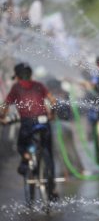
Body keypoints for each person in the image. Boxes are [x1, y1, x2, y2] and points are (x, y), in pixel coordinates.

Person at [0, 62, 58, 200]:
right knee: (48, 151)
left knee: (21, 145)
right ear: (31, 74)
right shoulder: (39, 85)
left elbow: (5, 105)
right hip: (44, 121)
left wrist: (2, 117)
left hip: (27, 123)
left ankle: (25, 159)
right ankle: (52, 187)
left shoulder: (16, 88)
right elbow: (53, 101)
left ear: (18, 77)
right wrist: (52, 114)